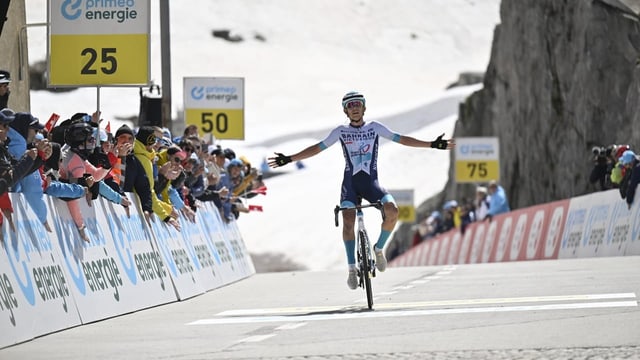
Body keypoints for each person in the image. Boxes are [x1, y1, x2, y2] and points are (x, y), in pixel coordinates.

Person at [268, 91, 454, 290]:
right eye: (350, 105)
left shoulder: (375, 128)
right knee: (348, 220)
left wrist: (432, 144)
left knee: (392, 210)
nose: (355, 107)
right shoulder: (340, 131)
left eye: (358, 104)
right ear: (345, 111)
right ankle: (351, 269)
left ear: (364, 108)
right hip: (350, 185)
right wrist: (289, 158)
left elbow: (402, 139)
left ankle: (378, 248)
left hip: (372, 184)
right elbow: (317, 148)